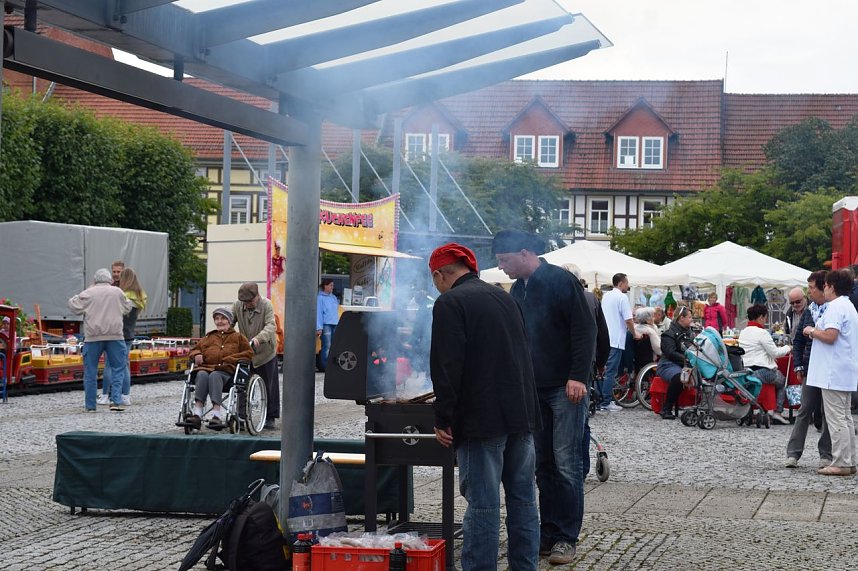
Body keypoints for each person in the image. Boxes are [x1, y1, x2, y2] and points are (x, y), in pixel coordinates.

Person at [428, 243, 540, 571]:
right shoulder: (504, 297)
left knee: (483, 506)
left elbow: (447, 366)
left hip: (481, 419)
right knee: (523, 501)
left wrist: (443, 417)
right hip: (521, 414)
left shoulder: (450, 302)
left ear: (439, 275)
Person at [492, 230, 595, 566]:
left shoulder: (561, 280)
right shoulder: (518, 289)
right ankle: (547, 533)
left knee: (567, 463)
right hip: (533, 388)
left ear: (525, 253)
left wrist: (578, 375)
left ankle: (566, 537)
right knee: (543, 465)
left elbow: (585, 329)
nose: (502, 267)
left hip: (565, 387)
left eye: (505, 259)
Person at [803, 269, 858, 476]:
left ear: (831, 287)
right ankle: (849, 460)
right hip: (843, 369)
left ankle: (841, 462)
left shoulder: (835, 307)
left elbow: (830, 335)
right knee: (845, 417)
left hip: (832, 371)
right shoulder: (848, 306)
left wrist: (811, 331)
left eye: (825, 285)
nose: (823, 288)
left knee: (836, 418)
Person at [68, 268, 132, 412]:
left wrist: (89, 288)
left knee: (90, 371)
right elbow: (128, 307)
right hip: (115, 336)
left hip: (93, 338)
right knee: (118, 369)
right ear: (110, 280)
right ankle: (115, 401)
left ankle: (91, 406)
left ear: (95, 280)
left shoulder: (89, 292)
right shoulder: (117, 292)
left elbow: (73, 305)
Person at [785, 270, 831, 468]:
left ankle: (826, 455)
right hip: (811, 367)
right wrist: (799, 364)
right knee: (805, 409)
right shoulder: (810, 311)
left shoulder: (833, 310)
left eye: (811, 288)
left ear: (823, 288)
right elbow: (798, 341)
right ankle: (793, 453)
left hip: (828, 368)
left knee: (828, 412)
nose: (809, 291)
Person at [185, 307, 253, 430]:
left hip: (226, 371)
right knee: (201, 374)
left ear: (230, 321)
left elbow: (248, 353)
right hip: (206, 368)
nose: (219, 321)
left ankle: (216, 415)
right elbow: (194, 350)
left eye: (223, 318)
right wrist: (197, 354)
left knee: (214, 375)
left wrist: (231, 359)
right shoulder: (208, 337)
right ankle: (197, 414)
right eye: (217, 318)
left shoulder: (238, 337)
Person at [232, 282, 279, 430]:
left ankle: (270, 416)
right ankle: (241, 416)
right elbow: (229, 322)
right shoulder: (237, 306)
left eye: (250, 301)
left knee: (269, 385)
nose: (247, 304)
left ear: (257, 296)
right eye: (244, 302)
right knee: (241, 384)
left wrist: (259, 339)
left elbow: (271, 326)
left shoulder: (266, 305)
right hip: (246, 351)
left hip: (265, 352)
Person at [98, 267, 147, 406]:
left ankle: (105, 396)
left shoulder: (121, 295)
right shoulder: (140, 295)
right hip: (129, 334)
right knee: (124, 366)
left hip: (115, 334)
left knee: (109, 365)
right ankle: (126, 396)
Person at [738, 304, 790, 424]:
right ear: (761, 317)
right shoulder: (762, 333)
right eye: (765, 317)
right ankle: (777, 411)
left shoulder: (743, 332)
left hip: (747, 371)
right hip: (763, 371)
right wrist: (788, 348)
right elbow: (776, 353)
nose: (765, 320)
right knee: (783, 381)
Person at [599, 273, 642, 411]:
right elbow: (628, 319)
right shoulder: (622, 297)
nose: (628, 286)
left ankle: (600, 399)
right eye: (627, 283)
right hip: (616, 339)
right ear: (621, 283)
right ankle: (606, 402)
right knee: (611, 371)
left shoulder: (606, 296)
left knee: (602, 370)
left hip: (604, 338)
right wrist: (634, 333)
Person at [656, 305, 694, 420]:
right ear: (681, 318)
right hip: (668, 364)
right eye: (689, 317)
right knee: (680, 377)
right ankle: (666, 408)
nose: (691, 319)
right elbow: (670, 353)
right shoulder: (668, 334)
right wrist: (687, 359)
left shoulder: (689, 333)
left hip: (685, 363)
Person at [315, 278, 340, 372]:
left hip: (335, 324)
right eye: (331, 285)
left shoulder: (333, 297)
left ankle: (331, 366)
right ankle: (325, 366)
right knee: (327, 346)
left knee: (333, 346)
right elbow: (319, 313)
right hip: (326, 325)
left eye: (333, 285)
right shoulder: (320, 298)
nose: (332, 287)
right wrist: (319, 327)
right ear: (325, 286)